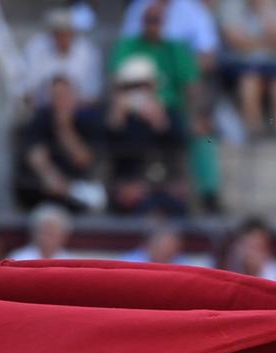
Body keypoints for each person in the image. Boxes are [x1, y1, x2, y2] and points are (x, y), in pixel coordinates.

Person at [112, 1, 221, 214]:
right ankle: (127, 190)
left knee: (201, 135)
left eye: (158, 21)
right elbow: (118, 82)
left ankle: (205, 194)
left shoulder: (175, 49)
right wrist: (145, 106)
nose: (154, 25)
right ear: (142, 22)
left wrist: (198, 116)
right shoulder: (128, 46)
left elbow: (192, 86)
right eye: (150, 21)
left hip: (172, 111)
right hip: (134, 111)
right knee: (125, 132)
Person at [105, 54, 189, 214]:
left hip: (164, 185)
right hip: (130, 189)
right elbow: (113, 153)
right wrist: (117, 123)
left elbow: (179, 146)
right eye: (132, 87)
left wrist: (160, 122)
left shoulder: (170, 113)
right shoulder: (116, 118)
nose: (139, 92)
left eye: (144, 86)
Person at [18, 74, 106, 212]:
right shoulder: (41, 118)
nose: (61, 100)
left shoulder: (88, 119)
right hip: (46, 190)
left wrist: (64, 128)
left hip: (77, 189)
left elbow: (83, 160)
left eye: (65, 95)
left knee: (96, 197)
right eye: (56, 96)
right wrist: (52, 178)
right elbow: (35, 155)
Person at [219, 0, 276, 136]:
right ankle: (254, 130)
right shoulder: (232, 6)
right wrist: (265, 42)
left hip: (268, 63)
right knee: (250, 81)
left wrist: (266, 13)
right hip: (239, 63)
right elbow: (236, 41)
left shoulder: (274, 7)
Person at [20, 7, 103, 108]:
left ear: (73, 32)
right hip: (43, 110)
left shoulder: (89, 52)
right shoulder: (35, 47)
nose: (62, 37)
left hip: (78, 111)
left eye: (66, 32)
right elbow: (26, 90)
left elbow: (93, 95)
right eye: (58, 32)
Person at [221, 216, 276, 280]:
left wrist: (255, 271)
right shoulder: (227, 265)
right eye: (249, 246)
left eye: (257, 247)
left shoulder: (275, 270)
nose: (251, 254)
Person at [7, 204, 75, 261]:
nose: (47, 238)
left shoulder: (70, 260)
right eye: (44, 232)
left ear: (64, 236)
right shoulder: (17, 258)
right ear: (34, 233)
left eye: (52, 233)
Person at [119, 222, 193, 263]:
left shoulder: (186, 264)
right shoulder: (130, 263)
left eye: (170, 248)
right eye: (162, 247)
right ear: (148, 245)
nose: (165, 252)